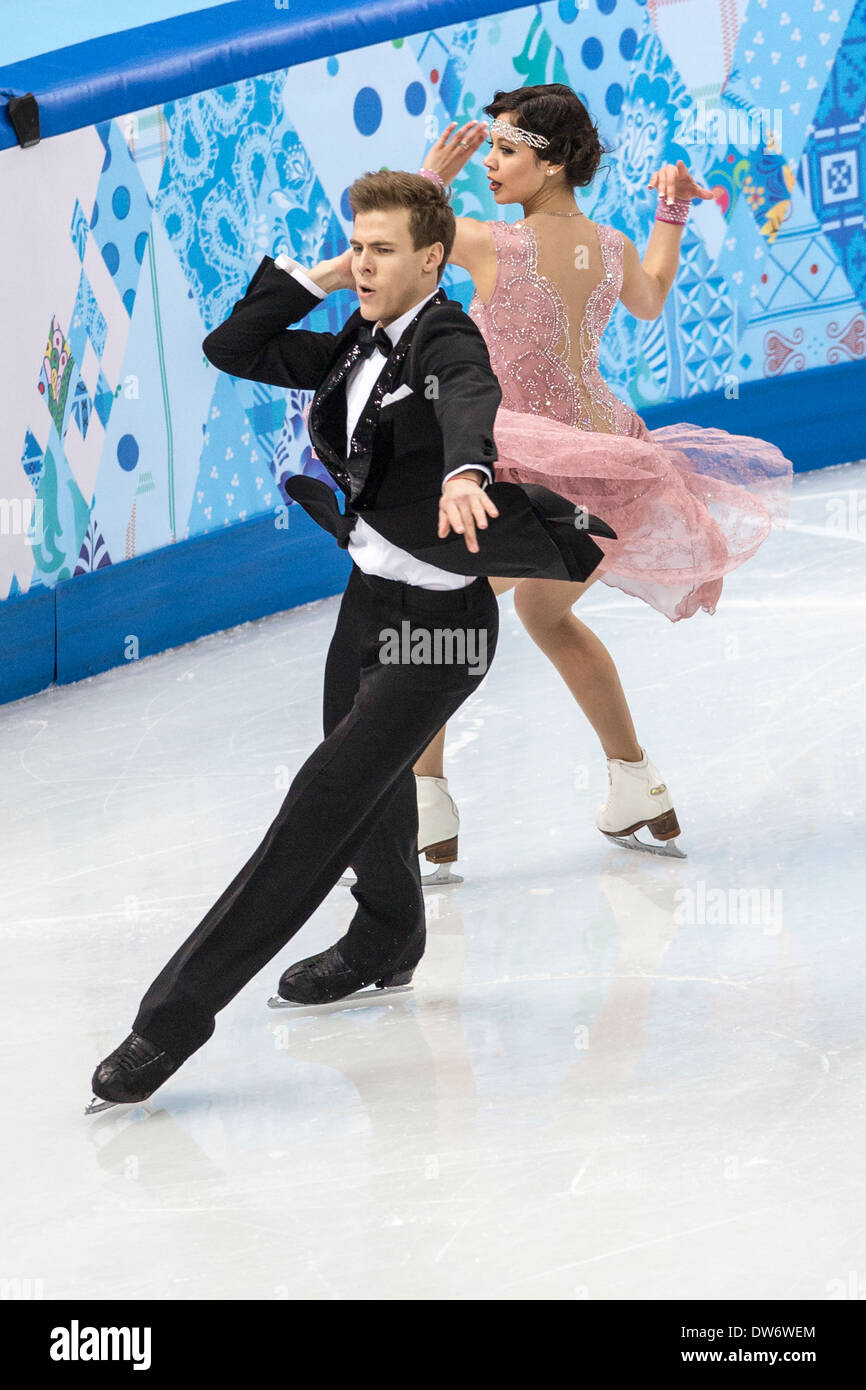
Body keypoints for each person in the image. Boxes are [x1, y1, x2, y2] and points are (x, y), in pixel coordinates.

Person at [86, 170, 615, 1111]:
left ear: (434, 261)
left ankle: (167, 1024)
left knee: (320, 803)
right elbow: (231, 346)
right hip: (369, 600)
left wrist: (465, 470)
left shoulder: (446, 337)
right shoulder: (356, 337)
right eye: (358, 246)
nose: (366, 263)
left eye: (382, 251)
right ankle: (388, 936)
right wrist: (329, 274)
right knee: (368, 792)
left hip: (443, 630)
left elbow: (468, 393)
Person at [401, 83, 793, 878]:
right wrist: (671, 211)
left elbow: (404, 254)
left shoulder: (488, 245)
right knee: (547, 615)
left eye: (505, 152)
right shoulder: (609, 246)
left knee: (428, 604)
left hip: (530, 461)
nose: (491, 167)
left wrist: (429, 181)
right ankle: (635, 784)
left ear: (549, 165)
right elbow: (648, 298)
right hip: (609, 462)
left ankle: (424, 804)